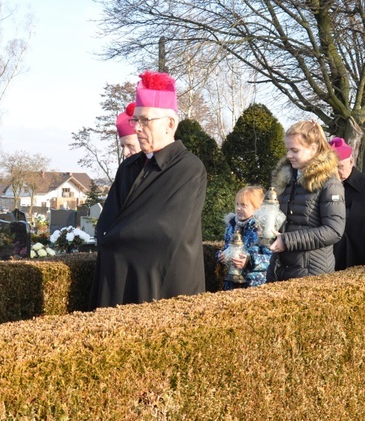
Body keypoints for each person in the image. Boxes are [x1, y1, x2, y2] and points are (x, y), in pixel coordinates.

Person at [89, 71, 207, 309]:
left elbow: (166, 230)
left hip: (163, 283)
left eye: (145, 121)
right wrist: (111, 237)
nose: (138, 128)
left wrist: (115, 238)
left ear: (170, 124)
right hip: (120, 277)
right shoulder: (129, 167)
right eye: (136, 120)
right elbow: (106, 223)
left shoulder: (188, 168)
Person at [266, 120, 345, 281]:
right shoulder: (286, 181)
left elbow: (334, 231)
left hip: (312, 275)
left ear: (313, 149)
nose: (288, 155)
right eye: (288, 150)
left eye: (295, 150)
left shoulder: (330, 184)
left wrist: (287, 241)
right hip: (280, 270)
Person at [331, 137, 365, 270]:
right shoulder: (329, 184)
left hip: (360, 251)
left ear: (351, 162)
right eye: (333, 168)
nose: (337, 172)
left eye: (340, 167)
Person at [216, 185, 271, 290]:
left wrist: (250, 261)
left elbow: (271, 258)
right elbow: (226, 248)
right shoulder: (231, 226)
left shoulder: (264, 229)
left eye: (244, 205)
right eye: (237, 204)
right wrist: (221, 256)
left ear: (257, 208)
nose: (238, 208)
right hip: (231, 284)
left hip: (255, 285)